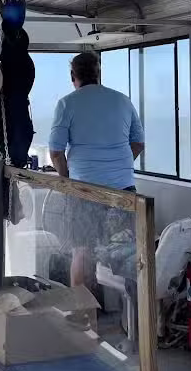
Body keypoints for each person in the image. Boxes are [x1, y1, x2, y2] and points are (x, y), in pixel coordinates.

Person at [48, 52, 145, 289]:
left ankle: (84, 311)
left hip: (84, 191)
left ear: (73, 76)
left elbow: (56, 152)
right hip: (123, 192)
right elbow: (138, 143)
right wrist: (118, 167)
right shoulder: (123, 101)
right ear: (98, 74)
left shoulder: (67, 103)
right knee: (128, 252)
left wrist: (66, 181)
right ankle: (136, 311)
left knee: (82, 252)